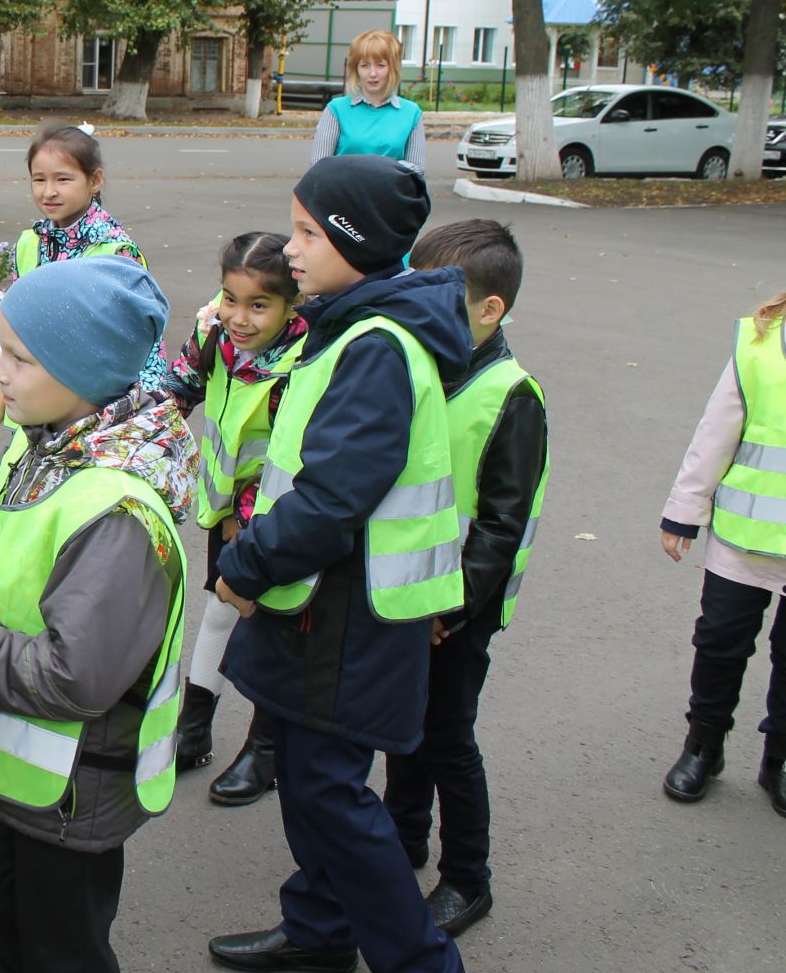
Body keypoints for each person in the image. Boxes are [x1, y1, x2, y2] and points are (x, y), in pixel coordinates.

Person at [206, 155, 472, 973]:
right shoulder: (347, 324)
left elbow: (332, 498)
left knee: (331, 794)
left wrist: (245, 565)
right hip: (319, 606)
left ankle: (419, 961)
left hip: (350, 615)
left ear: (356, 241)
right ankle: (319, 933)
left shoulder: (377, 345)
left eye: (310, 233)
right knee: (312, 785)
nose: (291, 250)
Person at [0, 254, 196, 973]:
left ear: (86, 373)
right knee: (5, 907)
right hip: (26, 771)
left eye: (18, 358)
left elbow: (72, 677)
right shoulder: (44, 444)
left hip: (74, 786)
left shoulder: (119, 510)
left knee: (61, 947)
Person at [383, 220, 550, 938]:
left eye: (440, 300)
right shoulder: (425, 367)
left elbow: (502, 526)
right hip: (406, 594)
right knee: (404, 729)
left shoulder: (513, 395)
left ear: (491, 310)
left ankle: (468, 878)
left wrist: (451, 605)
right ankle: (403, 836)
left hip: (457, 608)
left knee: (448, 736)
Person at [161, 232, 307, 807]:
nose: (238, 317)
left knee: (271, 623)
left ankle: (265, 747)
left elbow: (294, 455)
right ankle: (193, 730)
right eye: (230, 297)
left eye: (258, 305)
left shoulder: (306, 360)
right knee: (221, 606)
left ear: (292, 305)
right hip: (225, 509)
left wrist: (249, 522)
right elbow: (176, 391)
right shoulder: (213, 332)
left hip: (277, 516)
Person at [657, 286, 786, 816]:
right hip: (745, 538)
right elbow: (717, 432)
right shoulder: (759, 341)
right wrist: (684, 510)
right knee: (720, 642)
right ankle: (704, 747)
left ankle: (778, 757)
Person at [0, 124, 167, 453]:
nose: (49, 191)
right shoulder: (30, 244)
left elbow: (135, 352)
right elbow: (20, 341)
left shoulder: (115, 254)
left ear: (95, 180)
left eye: (63, 179)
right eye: (39, 179)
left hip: (89, 423)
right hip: (29, 409)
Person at [307, 29, 426, 169]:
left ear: (392, 68)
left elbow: (417, 170)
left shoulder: (411, 113)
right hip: (343, 190)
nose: (372, 73)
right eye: (365, 65)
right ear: (356, 69)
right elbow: (318, 166)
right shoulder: (336, 110)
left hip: (391, 190)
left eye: (380, 65)